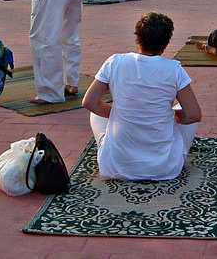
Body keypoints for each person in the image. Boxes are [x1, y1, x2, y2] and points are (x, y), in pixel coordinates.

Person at [82, 12, 202, 181]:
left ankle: (113, 143)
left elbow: (89, 102)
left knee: (95, 112)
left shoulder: (115, 62)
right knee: (184, 111)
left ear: (137, 37)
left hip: (115, 166)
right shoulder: (174, 69)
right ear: (166, 43)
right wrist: (170, 116)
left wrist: (121, 114)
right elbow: (194, 115)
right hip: (165, 168)